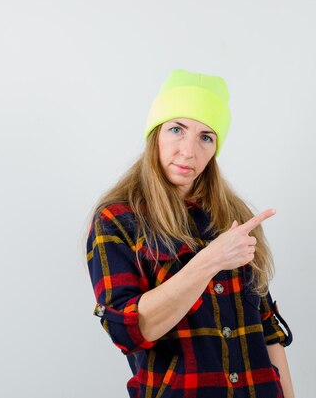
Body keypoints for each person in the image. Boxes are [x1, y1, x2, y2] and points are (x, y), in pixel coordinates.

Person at [84, 68, 295, 398]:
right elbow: (130, 332)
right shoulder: (117, 219)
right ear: (155, 133)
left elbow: (267, 330)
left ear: (215, 149)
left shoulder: (236, 216)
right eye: (176, 129)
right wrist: (210, 261)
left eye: (205, 137)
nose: (188, 150)